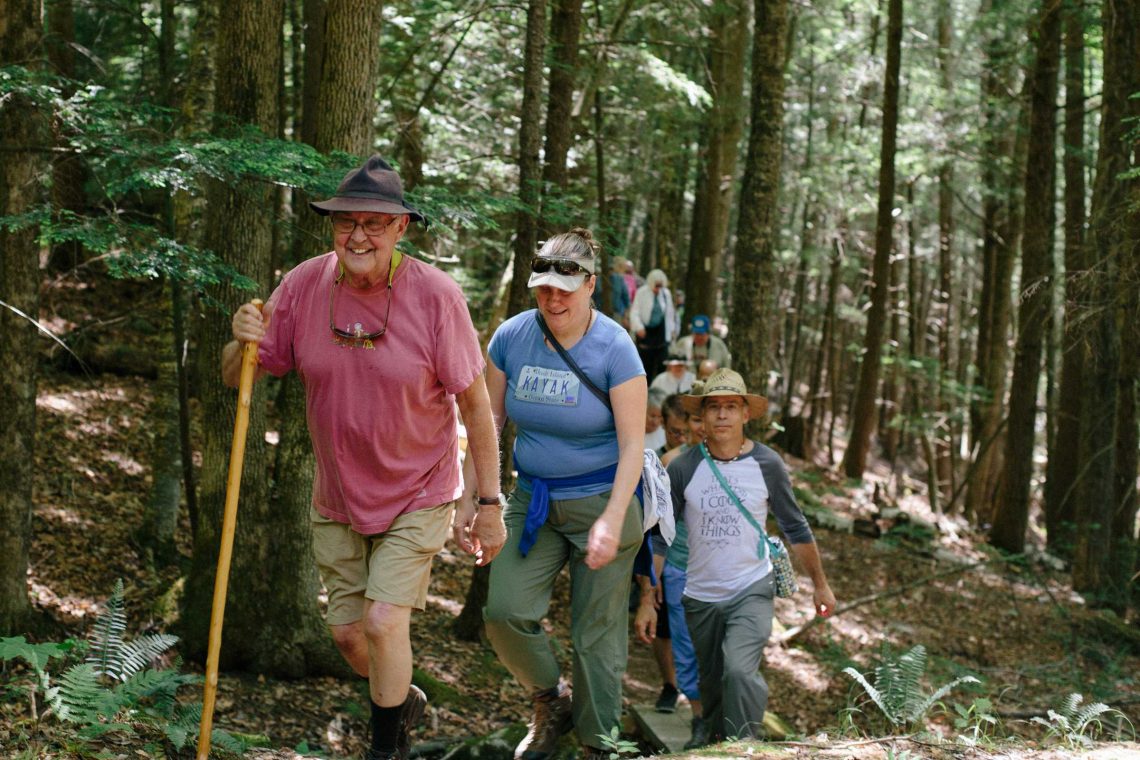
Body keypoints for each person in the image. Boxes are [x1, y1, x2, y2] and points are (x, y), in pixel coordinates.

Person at [223, 155, 505, 760]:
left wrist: (488, 501)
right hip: (338, 496)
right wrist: (239, 337)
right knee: (352, 639)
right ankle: (399, 703)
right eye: (345, 222)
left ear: (401, 228)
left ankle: (385, 750)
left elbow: (477, 405)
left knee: (382, 622)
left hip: (420, 489)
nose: (358, 236)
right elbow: (242, 374)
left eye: (374, 223)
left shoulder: (436, 297)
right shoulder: (302, 284)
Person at [480, 228, 648, 760]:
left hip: (604, 498)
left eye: (565, 290)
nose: (553, 299)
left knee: (595, 635)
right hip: (532, 498)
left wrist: (613, 517)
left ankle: (599, 745)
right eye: (544, 288)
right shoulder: (512, 336)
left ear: (591, 286)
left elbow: (633, 447)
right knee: (503, 610)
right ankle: (551, 699)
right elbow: (489, 421)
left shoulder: (615, 348)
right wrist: (479, 498)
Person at [667, 369, 835, 743]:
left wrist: (820, 586)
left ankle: (746, 746)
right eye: (714, 407)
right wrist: (649, 594)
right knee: (711, 682)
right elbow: (662, 534)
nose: (722, 415)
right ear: (703, 417)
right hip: (700, 594)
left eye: (731, 406)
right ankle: (713, 743)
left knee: (740, 672)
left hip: (751, 587)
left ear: (746, 415)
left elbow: (795, 526)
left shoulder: (768, 464)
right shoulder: (682, 467)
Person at [630, 269, 677, 379]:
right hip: (646, 333)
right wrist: (638, 327)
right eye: (656, 286)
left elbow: (670, 313)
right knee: (646, 367)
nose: (658, 289)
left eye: (660, 286)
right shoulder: (642, 292)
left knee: (662, 364)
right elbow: (635, 312)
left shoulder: (666, 294)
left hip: (661, 335)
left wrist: (672, 331)